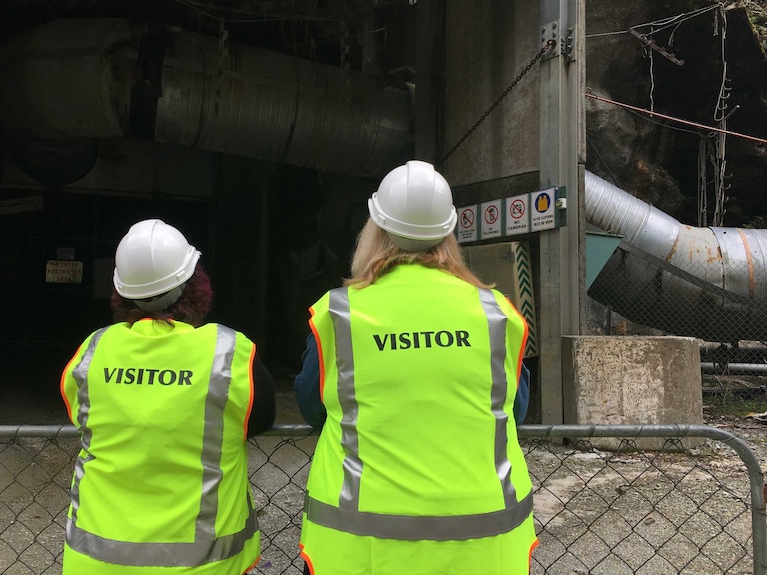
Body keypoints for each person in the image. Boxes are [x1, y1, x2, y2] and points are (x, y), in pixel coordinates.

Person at [294, 160, 537, 575]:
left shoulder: (339, 315)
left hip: (360, 551)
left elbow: (312, 406)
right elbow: (513, 409)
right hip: (481, 549)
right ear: (448, 232)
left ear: (375, 229)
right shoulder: (496, 313)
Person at [60, 219, 275, 575]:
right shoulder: (229, 353)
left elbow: (82, 416)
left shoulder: (93, 351)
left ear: (121, 292)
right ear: (196, 286)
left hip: (96, 564)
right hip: (205, 566)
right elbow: (259, 419)